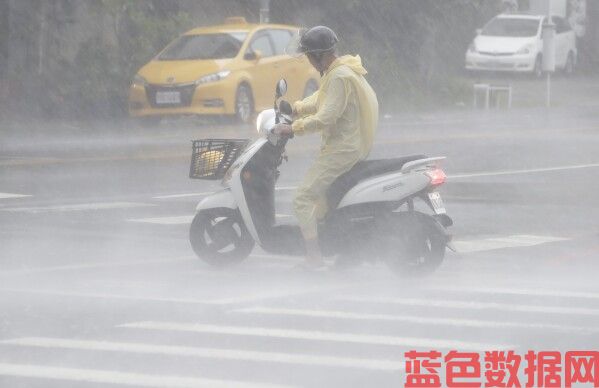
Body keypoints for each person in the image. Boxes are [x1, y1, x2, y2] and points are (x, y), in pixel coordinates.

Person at [273, 26, 379, 270]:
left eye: (310, 56)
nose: (309, 61)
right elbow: (323, 97)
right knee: (323, 201)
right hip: (349, 145)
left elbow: (327, 116)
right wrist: (296, 108)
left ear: (319, 55)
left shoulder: (340, 76)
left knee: (302, 198)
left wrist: (294, 128)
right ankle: (345, 248)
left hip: (343, 148)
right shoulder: (341, 71)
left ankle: (314, 257)